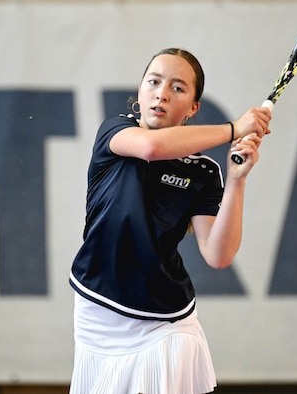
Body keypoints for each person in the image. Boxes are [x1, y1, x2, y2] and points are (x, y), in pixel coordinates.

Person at [68, 48, 272, 393]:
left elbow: (218, 255)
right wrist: (234, 128)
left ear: (193, 107)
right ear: (141, 89)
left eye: (178, 88)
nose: (162, 93)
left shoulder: (204, 172)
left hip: (166, 321)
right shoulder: (115, 133)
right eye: (154, 81)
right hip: (98, 309)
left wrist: (238, 181)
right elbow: (151, 148)